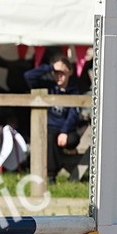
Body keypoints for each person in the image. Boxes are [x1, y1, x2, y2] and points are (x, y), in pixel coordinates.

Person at [24, 51, 82, 183]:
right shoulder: (49, 87)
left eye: (63, 72)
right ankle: (51, 176)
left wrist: (64, 131)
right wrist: (50, 67)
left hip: (68, 131)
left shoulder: (74, 90)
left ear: (70, 72)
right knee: (49, 138)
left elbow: (73, 114)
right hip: (50, 129)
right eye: (57, 73)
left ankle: (55, 172)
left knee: (66, 140)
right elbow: (28, 77)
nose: (59, 76)